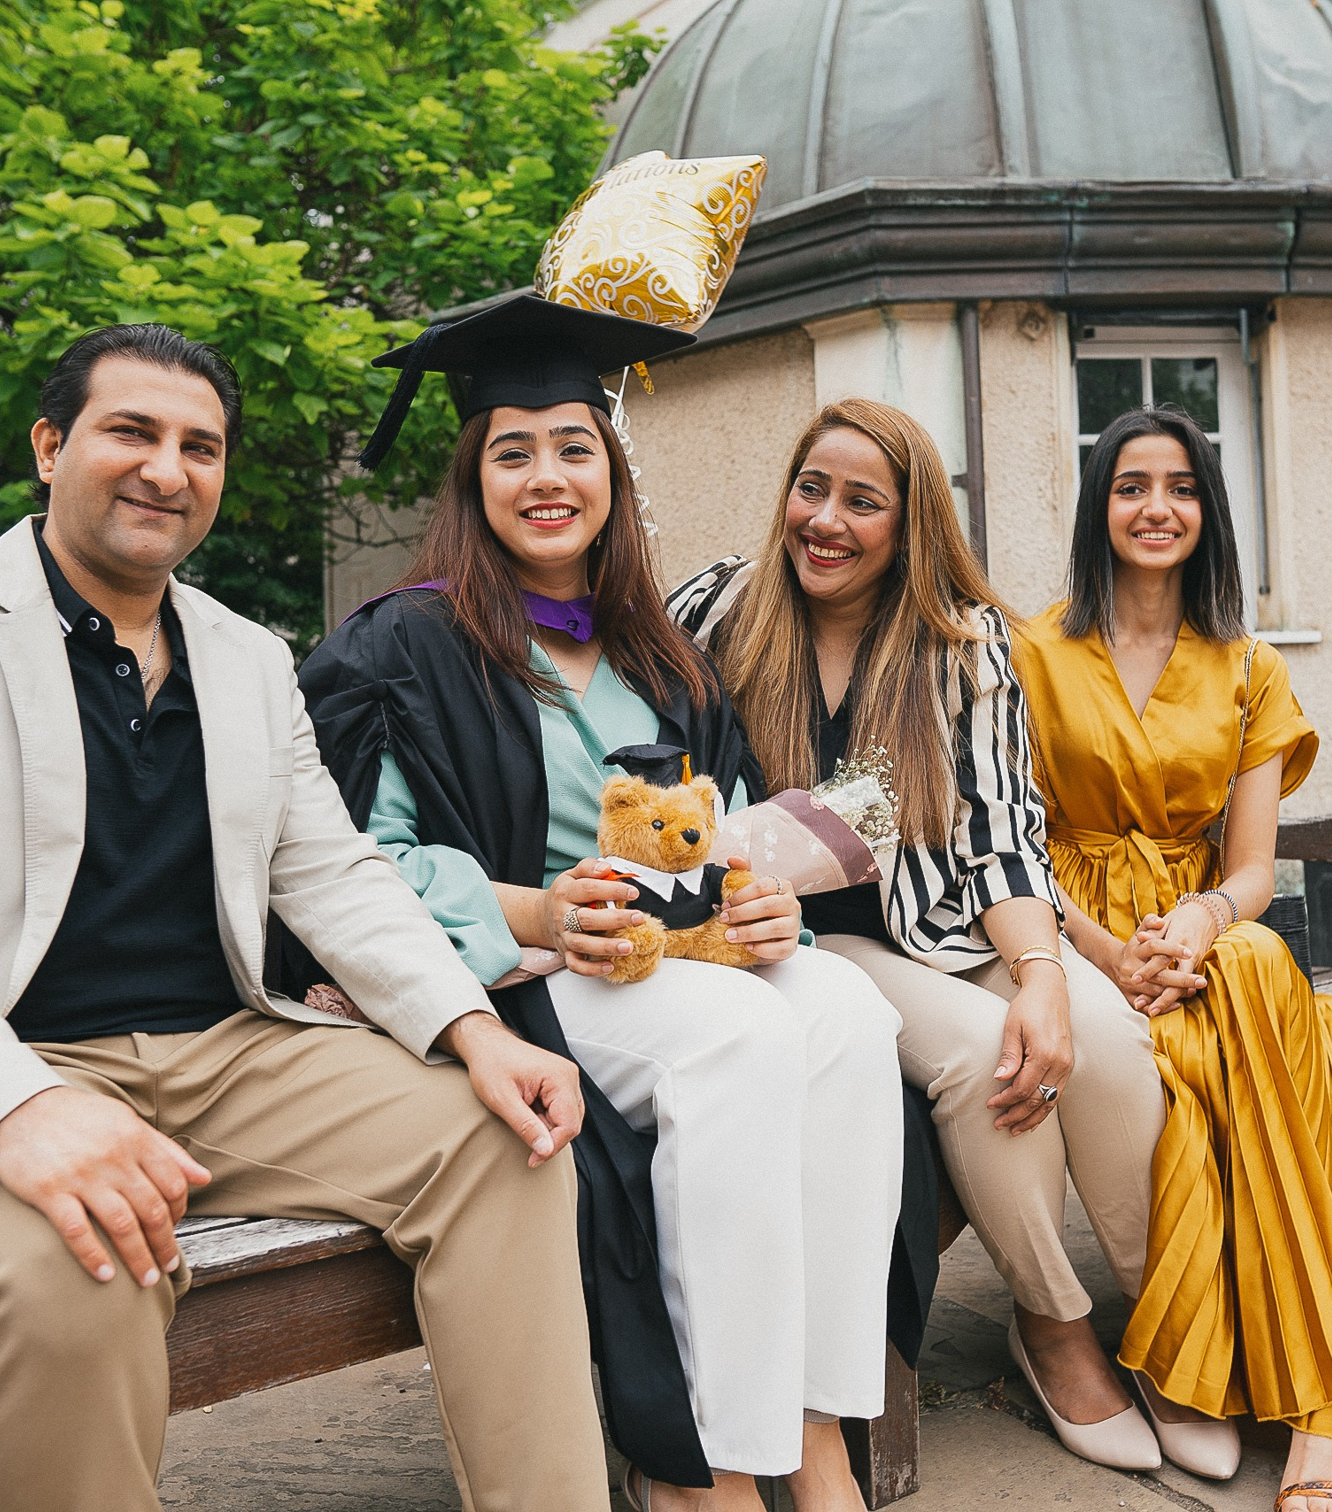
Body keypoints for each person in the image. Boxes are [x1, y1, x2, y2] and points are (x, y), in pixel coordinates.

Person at [0, 324, 603, 1511]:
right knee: (91, 1259)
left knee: (508, 1143)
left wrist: (476, 1031)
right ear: (49, 445)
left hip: (229, 1059)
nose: (166, 469)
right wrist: (16, 1102)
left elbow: (329, 872)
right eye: (131, 432)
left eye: (200, 446)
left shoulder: (247, 657)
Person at [294, 293, 908, 1512]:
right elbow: (347, 864)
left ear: (612, 476)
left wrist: (763, 898)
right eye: (512, 454)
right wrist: (532, 913)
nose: (547, 479)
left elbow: (730, 825)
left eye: (574, 449)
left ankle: (817, 1433)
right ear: (472, 480)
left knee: (845, 1010)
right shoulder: (395, 651)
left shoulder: (656, 654)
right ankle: (707, 1468)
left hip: (679, 970)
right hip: (528, 987)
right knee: (740, 1038)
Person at [664, 398, 1189, 1475]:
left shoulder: (963, 642)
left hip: (960, 916)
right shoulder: (717, 607)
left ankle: (1171, 1323)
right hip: (801, 941)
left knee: (1103, 1041)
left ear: (909, 528)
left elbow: (1001, 839)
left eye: (864, 502)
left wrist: (1042, 971)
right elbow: (650, 768)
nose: (827, 520)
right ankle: (1053, 1326)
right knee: (986, 1057)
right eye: (813, 489)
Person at [1008, 404, 1332, 1512]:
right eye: (1132, 485)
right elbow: (1013, 842)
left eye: (1179, 487)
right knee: (1232, 1042)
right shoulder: (1030, 652)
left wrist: (1193, 927)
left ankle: (1317, 1408)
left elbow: (1252, 869)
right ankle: (1224, 1366)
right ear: (1100, 506)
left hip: (1195, 927)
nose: (1156, 507)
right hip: (1066, 926)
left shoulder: (1248, 664)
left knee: (1264, 976)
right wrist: (1101, 952)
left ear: (1207, 511)